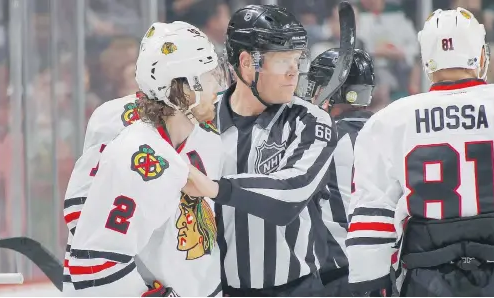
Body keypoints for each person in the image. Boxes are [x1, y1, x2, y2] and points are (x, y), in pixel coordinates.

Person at [182, 4, 338, 296]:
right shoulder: (200, 121)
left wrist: (216, 188)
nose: (294, 72)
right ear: (246, 62)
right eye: (282, 61)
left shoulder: (310, 120)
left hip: (296, 290)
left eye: (297, 60)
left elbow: (292, 193)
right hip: (216, 290)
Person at [64, 23, 231, 296]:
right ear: (184, 85)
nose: (219, 85)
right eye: (209, 74)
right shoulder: (134, 152)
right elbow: (92, 253)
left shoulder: (210, 139)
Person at [346, 7, 494, 296]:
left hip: (427, 280)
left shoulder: (389, 119)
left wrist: (370, 280)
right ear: (480, 55)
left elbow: (372, 213)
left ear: (427, 61)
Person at [305, 48, 375, 297]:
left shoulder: (320, 139)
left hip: (337, 278)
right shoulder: (389, 131)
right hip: (386, 274)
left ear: (331, 90)